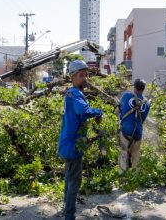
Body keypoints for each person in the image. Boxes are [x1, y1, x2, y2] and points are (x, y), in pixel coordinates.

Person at [58, 60, 103, 220]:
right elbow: (83, 111)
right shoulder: (75, 93)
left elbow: (80, 114)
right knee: (74, 182)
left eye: (86, 75)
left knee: (69, 178)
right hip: (72, 146)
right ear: (72, 77)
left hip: (68, 144)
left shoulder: (71, 93)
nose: (85, 78)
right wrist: (99, 112)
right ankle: (69, 215)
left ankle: (66, 207)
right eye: (81, 75)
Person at [118, 79, 150, 173]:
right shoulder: (147, 102)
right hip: (138, 133)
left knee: (123, 152)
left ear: (134, 87)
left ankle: (122, 175)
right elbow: (143, 119)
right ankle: (135, 177)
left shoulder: (126, 95)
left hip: (125, 131)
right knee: (136, 155)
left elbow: (120, 108)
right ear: (143, 89)